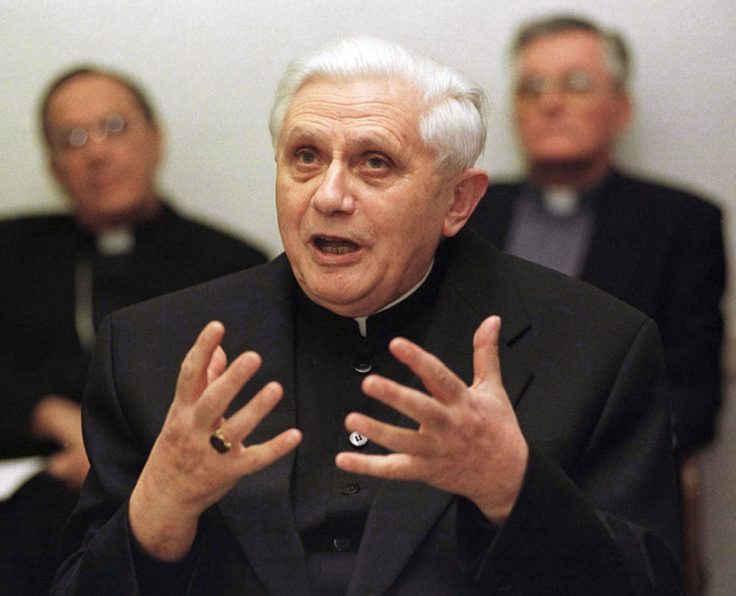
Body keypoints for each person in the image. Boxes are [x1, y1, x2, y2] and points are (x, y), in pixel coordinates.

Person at [52, 37, 682, 595]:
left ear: (458, 201)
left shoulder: (596, 346)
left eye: (374, 162)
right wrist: (158, 513)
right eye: (305, 156)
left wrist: (514, 490)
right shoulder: (151, 349)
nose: (328, 195)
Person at [0, 65, 267, 595]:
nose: (97, 153)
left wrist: (108, 452)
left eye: (114, 126)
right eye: (72, 138)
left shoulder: (230, 262)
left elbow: (241, 401)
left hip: (169, 497)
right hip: (24, 492)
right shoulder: (5, 250)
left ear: (156, 139)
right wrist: (56, 417)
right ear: (54, 165)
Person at [468, 14, 726, 459]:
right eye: (532, 88)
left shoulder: (682, 223)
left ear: (621, 109)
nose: (550, 103)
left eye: (577, 84)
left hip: (609, 478)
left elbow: (692, 399)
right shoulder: (465, 212)